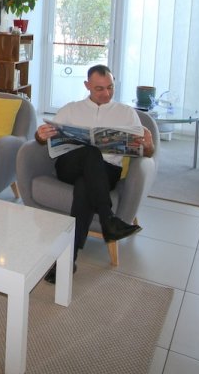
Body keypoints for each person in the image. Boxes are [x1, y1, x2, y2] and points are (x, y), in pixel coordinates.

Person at [35, 64, 154, 283]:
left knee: (84, 187)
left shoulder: (126, 113)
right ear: (87, 85)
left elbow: (147, 153)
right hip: (70, 166)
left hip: (107, 171)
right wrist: (40, 135)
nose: (106, 93)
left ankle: (68, 259)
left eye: (110, 87)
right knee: (90, 151)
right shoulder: (71, 109)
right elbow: (43, 139)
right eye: (99, 88)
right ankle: (108, 219)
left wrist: (148, 145)